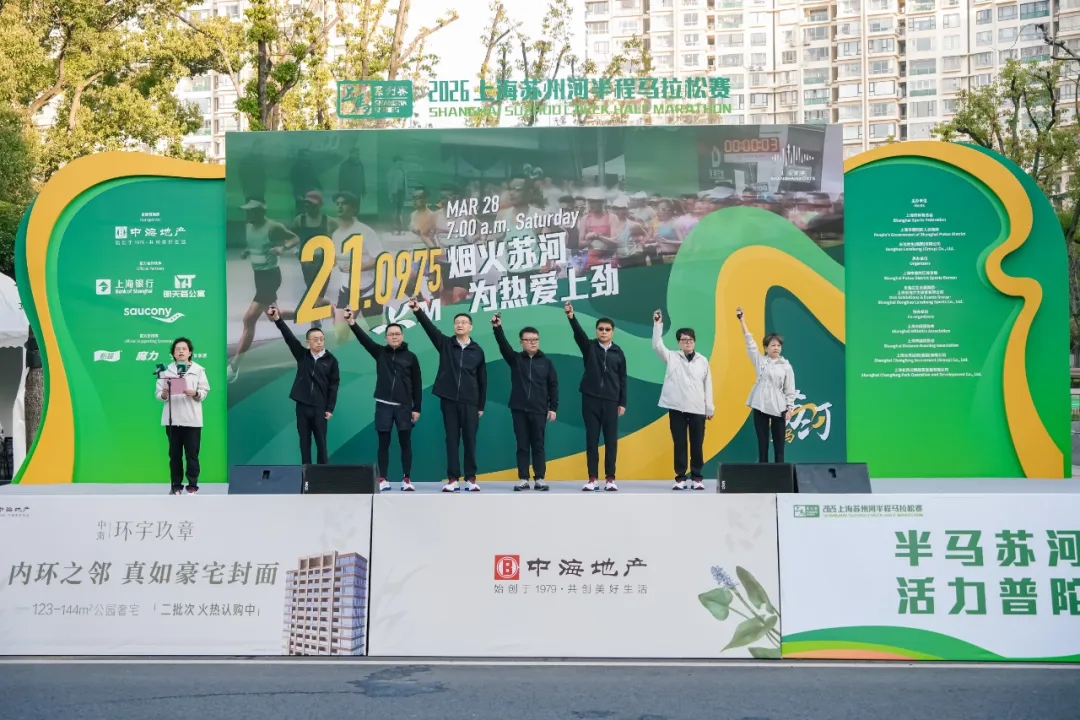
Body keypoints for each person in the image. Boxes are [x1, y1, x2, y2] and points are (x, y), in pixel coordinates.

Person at [408, 298, 487, 492]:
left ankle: (471, 478)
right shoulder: (445, 344)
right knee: (451, 439)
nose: (460, 325)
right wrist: (418, 311)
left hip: (470, 402)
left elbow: (482, 380)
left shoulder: (477, 350)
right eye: (457, 322)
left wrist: (480, 405)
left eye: (464, 322)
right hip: (449, 400)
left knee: (470, 440)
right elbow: (430, 329)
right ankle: (453, 479)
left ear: (470, 327)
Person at [343, 307, 422, 492]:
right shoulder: (380, 353)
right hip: (384, 406)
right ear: (385, 337)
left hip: (404, 407)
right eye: (391, 334)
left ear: (402, 336)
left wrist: (416, 408)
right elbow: (364, 340)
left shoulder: (411, 357)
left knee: (405, 444)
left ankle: (407, 479)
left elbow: (417, 384)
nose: (394, 337)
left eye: (397, 334)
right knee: (383, 444)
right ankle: (383, 478)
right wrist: (352, 323)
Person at [228, 199, 299, 384]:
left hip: (270, 277)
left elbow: (294, 238)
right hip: (258, 276)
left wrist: (282, 247)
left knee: (249, 319)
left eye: (251, 211)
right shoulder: (248, 227)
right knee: (274, 316)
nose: (247, 214)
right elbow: (256, 245)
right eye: (246, 211)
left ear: (260, 211)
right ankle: (309, 313)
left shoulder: (273, 227)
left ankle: (234, 367)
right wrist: (247, 251)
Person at [492, 314, 559, 492]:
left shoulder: (546, 362)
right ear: (521, 342)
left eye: (535, 339)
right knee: (522, 445)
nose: (532, 343)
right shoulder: (515, 359)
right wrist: (497, 328)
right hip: (519, 409)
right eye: (528, 340)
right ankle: (523, 478)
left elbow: (553, 385)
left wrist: (553, 407)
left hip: (539, 409)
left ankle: (540, 479)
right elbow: (503, 346)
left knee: (538, 445)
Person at [564, 302, 626, 492]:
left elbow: (622, 378)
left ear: (613, 332)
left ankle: (610, 479)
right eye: (601, 329)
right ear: (596, 331)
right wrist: (571, 317)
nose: (604, 332)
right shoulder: (589, 347)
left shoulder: (618, 352)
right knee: (592, 439)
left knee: (611, 441)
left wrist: (622, 402)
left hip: (611, 401)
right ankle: (592, 479)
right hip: (590, 399)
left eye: (607, 329)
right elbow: (579, 334)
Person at [268, 306, 340, 465]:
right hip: (302, 406)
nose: (319, 342)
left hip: (320, 407)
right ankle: (306, 473)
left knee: (321, 443)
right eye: (315, 339)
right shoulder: (302, 356)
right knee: (304, 443)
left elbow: (334, 386)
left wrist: (329, 408)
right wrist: (278, 319)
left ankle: (322, 474)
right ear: (308, 342)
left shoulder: (331, 361)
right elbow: (289, 338)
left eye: (321, 339)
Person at [652, 311, 714, 490]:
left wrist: (709, 408)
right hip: (677, 407)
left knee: (697, 444)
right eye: (684, 340)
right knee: (679, 443)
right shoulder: (671, 357)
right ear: (678, 343)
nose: (688, 342)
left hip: (697, 408)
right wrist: (657, 325)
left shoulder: (702, 360)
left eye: (690, 339)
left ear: (694, 341)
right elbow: (657, 346)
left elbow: (708, 385)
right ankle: (680, 478)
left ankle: (697, 477)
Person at [737, 306, 796, 463]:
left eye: (778, 345)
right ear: (766, 348)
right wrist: (742, 321)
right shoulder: (760, 361)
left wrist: (790, 408)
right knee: (762, 444)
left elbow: (789, 389)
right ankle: (762, 473)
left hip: (779, 407)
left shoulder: (786, 366)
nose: (776, 348)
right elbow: (750, 343)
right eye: (773, 345)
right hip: (760, 404)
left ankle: (780, 473)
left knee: (779, 445)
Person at [156, 338, 209, 495]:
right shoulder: (165, 371)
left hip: (192, 420)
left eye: (184, 349)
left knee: (192, 455)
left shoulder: (198, 370)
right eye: (177, 349)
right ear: (173, 353)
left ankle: (192, 485)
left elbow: (204, 390)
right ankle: (176, 485)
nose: (181, 351)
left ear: (189, 352)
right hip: (172, 420)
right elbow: (158, 394)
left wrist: (196, 393)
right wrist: (164, 394)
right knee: (175, 455)